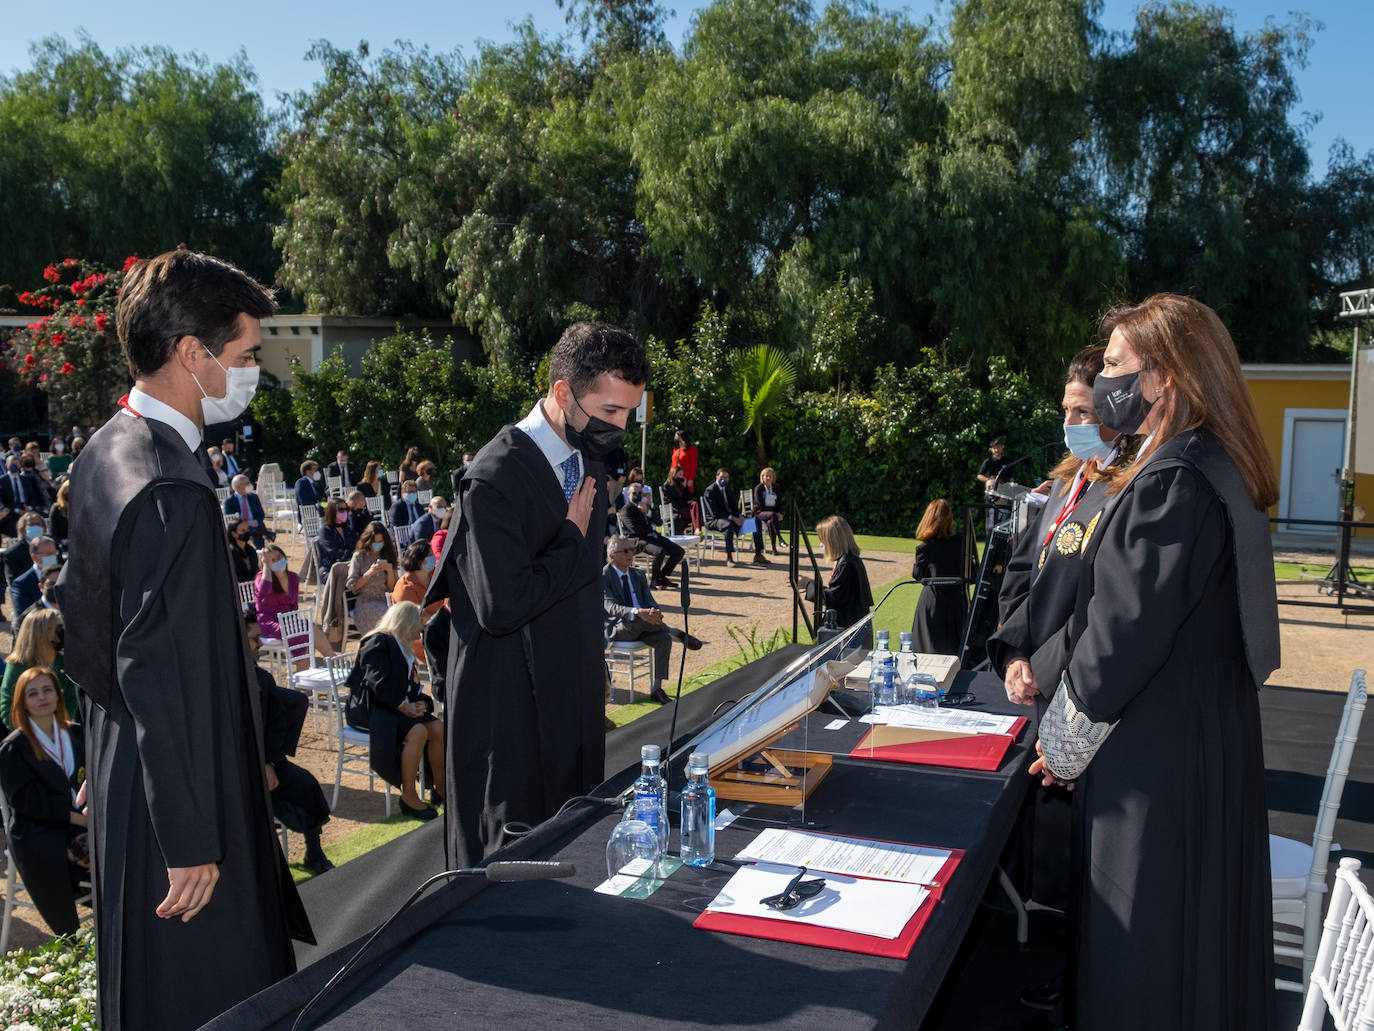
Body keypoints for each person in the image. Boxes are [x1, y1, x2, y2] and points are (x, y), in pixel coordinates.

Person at [53, 247, 311, 1031]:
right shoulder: (170, 487)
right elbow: (155, 666)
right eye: (245, 355)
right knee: (211, 995)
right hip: (185, 802)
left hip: (133, 767)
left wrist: (103, 756)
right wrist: (192, 836)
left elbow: (88, 625)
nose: (252, 370)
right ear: (192, 356)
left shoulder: (108, 445)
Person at [1029, 294, 1280, 1031]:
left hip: (1159, 777)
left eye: (1113, 365)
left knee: (1145, 974)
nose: (1103, 380)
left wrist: (1059, 745)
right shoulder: (1207, 463)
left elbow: (1116, 641)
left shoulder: (1173, 478)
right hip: (1199, 756)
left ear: (1163, 376)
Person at [425, 321, 648, 867]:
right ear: (563, 393)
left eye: (629, 414)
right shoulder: (494, 477)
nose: (619, 428)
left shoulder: (585, 454)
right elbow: (502, 607)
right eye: (610, 412)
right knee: (514, 861)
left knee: (573, 838)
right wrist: (571, 539)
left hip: (568, 687)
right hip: (509, 702)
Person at [989, 346, 1118, 704]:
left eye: (1083, 412)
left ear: (1115, 415)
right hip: (1036, 680)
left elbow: (1107, 604)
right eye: (1066, 411)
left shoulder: (1126, 491)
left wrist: (1043, 668)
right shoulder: (1065, 483)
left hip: (1084, 686)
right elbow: (1023, 570)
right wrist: (1015, 653)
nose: (1069, 424)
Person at [0, 666, 88, 935]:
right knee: (97, 849)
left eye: (48, 689)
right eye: (33, 693)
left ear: (59, 695)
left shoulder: (78, 734)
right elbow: (27, 803)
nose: (42, 697)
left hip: (84, 820)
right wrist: (80, 819)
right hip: (40, 829)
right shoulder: (14, 747)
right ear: (22, 702)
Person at [243, 614, 333, 875]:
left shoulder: (261, 679)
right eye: (254, 638)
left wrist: (268, 761)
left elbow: (274, 724)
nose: (260, 643)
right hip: (232, 768)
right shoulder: (219, 682)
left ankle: (313, 853)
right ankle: (266, 868)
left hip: (263, 760)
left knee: (305, 783)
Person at [344, 601, 444, 819]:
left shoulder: (404, 645)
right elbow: (377, 681)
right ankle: (408, 795)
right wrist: (403, 706)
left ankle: (439, 787)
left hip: (395, 705)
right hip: (373, 708)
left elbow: (411, 686)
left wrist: (421, 704)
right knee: (418, 731)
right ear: (407, 622)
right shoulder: (378, 641)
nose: (422, 626)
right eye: (419, 621)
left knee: (437, 727)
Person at [602, 536, 701, 704]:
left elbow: (650, 600)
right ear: (612, 556)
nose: (630, 554)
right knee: (640, 619)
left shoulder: (638, 574)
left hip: (647, 626)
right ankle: (675, 632)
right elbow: (611, 607)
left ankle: (657, 689)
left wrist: (655, 611)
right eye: (625, 551)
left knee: (663, 639)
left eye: (632, 550)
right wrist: (638, 612)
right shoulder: (603, 576)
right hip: (618, 628)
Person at [1, 607, 79, 733]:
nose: (62, 633)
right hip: (26, 737)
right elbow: (7, 710)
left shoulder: (63, 661)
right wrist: (38, 731)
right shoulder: (17, 665)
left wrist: (57, 726)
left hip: (59, 733)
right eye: (57, 628)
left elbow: (71, 700)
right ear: (39, 634)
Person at [254, 544, 335, 661]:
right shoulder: (261, 577)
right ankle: (333, 660)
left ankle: (306, 671)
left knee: (306, 632)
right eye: (273, 560)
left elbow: (294, 607)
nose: (277, 561)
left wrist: (293, 623)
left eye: (279, 557)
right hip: (268, 624)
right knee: (308, 628)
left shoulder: (293, 577)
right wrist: (266, 564)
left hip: (287, 621)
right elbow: (264, 590)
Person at [803, 516, 873, 648]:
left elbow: (834, 597)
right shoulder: (851, 560)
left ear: (832, 541)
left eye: (823, 541)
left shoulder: (846, 564)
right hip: (856, 625)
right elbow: (839, 591)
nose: (822, 545)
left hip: (849, 629)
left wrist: (809, 585)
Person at [910, 499, 967, 654]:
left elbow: (919, 576)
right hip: (957, 601)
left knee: (929, 651)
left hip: (933, 602)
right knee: (956, 651)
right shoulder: (962, 542)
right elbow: (971, 571)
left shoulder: (925, 547)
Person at [617, 482, 684, 589]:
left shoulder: (646, 506)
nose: (637, 495)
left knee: (679, 551)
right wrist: (650, 527)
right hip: (636, 540)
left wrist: (647, 512)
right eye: (634, 493)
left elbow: (659, 522)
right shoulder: (626, 510)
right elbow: (634, 530)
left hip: (652, 536)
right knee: (660, 551)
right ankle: (654, 580)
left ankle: (662, 576)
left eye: (640, 493)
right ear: (628, 495)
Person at [703, 468, 766, 566]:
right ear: (717, 477)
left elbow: (733, 506)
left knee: (756, 521)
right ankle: (729, 558)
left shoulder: (727, 489)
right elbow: (715, 512)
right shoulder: (710, 490)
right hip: (714, 520)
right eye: (722, 477)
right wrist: (733, 518)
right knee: (729, 524)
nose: (724, 479)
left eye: (726, 477)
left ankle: (758, 554)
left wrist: (740, 517)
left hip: (731, 518)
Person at [347, 521, 398, 636]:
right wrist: (369, 573)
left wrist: (390, 571)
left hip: (386, 599)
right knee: (390, 615)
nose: (377, 544)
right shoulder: (359, 556)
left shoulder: (388, 554)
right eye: (374, 541)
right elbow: (353, 586)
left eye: (380, 541)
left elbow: (392, 587)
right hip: (366, 602)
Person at [10, 535, 58, 636]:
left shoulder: (65, 575)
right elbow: (24, 617)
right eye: (48, 554)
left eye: (54, 553)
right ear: (34, 556)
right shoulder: (21, 584)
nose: (52, 556)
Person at [222, 473, 275, 546]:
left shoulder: (254, 497)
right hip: (240, 529)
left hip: (256, 527)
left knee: (259, 543)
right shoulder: (229, 501)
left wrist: (257, 521)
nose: (250, 485)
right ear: (238, 486)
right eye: (247, 483)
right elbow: (230, 520)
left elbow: (261, 514)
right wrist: (245, 524)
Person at [977, 438, 1016, 535]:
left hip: (1004, 494)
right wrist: (988, 480)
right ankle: (990, 539)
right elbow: (979, 475)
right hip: (992, 495)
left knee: (1004, 518)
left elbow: (1011, 478)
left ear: (1002, 447)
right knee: (991, 519)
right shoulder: (988, 461)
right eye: (994, 448)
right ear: (991, 449)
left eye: (998, 447)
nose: (996, 450)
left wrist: (1009, 490)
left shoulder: (1007, 461)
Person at [1, 454, 46, 535]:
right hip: (12, 512)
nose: (14, 466)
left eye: (16, 464)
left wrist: (29, 508)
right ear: (6, 465)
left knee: (44, 518)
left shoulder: (26, 479)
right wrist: (16, 510)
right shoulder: (2, 481)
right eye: (12, 464)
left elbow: (33, 496)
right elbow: (3, 501)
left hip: (28, 509)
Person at [317, 497, 358, 580]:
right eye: (341, 509)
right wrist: (352, 554)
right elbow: (335, 552)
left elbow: (358, 545)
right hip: (330, 568)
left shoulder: (348, 529)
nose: (345, 512)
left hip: (350, 565)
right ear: (332, 512)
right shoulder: (325, 531)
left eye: (346, 509)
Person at [753, 467, 784, 554]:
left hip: (772, 515)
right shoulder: (759, 488)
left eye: (770, 476)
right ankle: (780, 537)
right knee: (772, 516)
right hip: (759, 513)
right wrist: (774, 513)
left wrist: (779, 513)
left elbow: (779, 503)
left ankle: (774, 549)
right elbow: (759, 505)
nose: (768, 478)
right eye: (766, 476)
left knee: (771, 522)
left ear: (773, 478)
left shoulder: (776, 488)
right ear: (762, 477)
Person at [661, 467, 700, 533]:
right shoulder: (667, 485)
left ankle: (697, 529)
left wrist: (685, 487)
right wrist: (682, 488)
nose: (682, 476)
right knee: (695, 511)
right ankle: (696, 529)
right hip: (675, 509)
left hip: (683, 507)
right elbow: (673, 501)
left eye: (682, 474)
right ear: (674, 474)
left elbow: (688, 498)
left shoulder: (680, 484)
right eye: (680, 474)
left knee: (695, 504)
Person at [226, 518, 261, 584]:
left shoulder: (251, 550)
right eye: (243, 530)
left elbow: (255, 570)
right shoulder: (230, 553)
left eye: (247, 529)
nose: (247, 532)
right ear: (234, 534)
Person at [47, 480, 71, 547]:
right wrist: (63, 542)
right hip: (64, 546)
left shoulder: (80, 509)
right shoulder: (57, 508)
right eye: (67, 493)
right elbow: (52, 533)